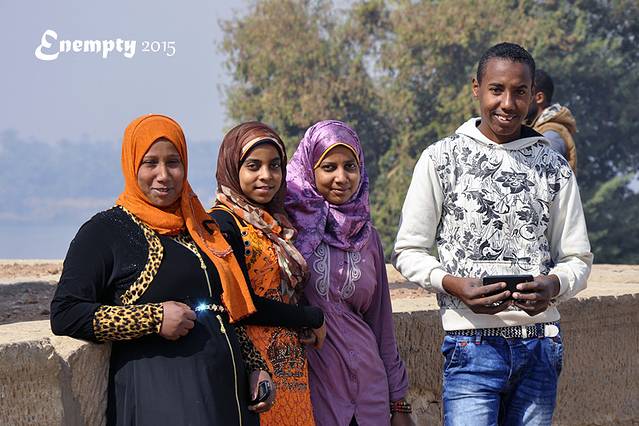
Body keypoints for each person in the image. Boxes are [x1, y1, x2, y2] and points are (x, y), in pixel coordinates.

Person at [392, 42, 593, 425]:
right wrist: (453, 284)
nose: (507, 103)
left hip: (540, 344)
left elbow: (577, 258)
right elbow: (408, 250)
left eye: (519, 92)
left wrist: (553, 285)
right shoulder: (441, 158)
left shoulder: (553, 167)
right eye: (496, 90)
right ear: (476, 89)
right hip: (470, 343)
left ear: (533, 95)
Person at [50, 114, 274, 425]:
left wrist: (254, 365)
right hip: (162, 398)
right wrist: (154, 318)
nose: (163, 175)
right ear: (132, 165)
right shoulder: (106, 231)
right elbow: (66, 313)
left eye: (173, 162)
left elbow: (221, 306)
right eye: (150, 163)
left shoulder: (201, 226)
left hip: (226, 398)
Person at [285, 120, 413, 426]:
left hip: (369, 391)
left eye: (350, 167)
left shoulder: (367, 236)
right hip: (314, 388)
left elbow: (381, 323)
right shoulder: (289, 230)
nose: (341, 178)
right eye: (329, 167)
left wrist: (399, 403)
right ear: (309, 169)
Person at [209, 121, 327, 426]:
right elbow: (240, 303)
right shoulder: (223, 224)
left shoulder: (273, 223)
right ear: (232, 168)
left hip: (290, 369)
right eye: (253, 166)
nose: (266, 175)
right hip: (253, 368)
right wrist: (310, 317)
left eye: (275, 166)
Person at [526, 69, 578, 172]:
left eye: (522, 93)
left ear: (539, 98)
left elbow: (542, 175)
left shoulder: (551, 136)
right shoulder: (535, 129)